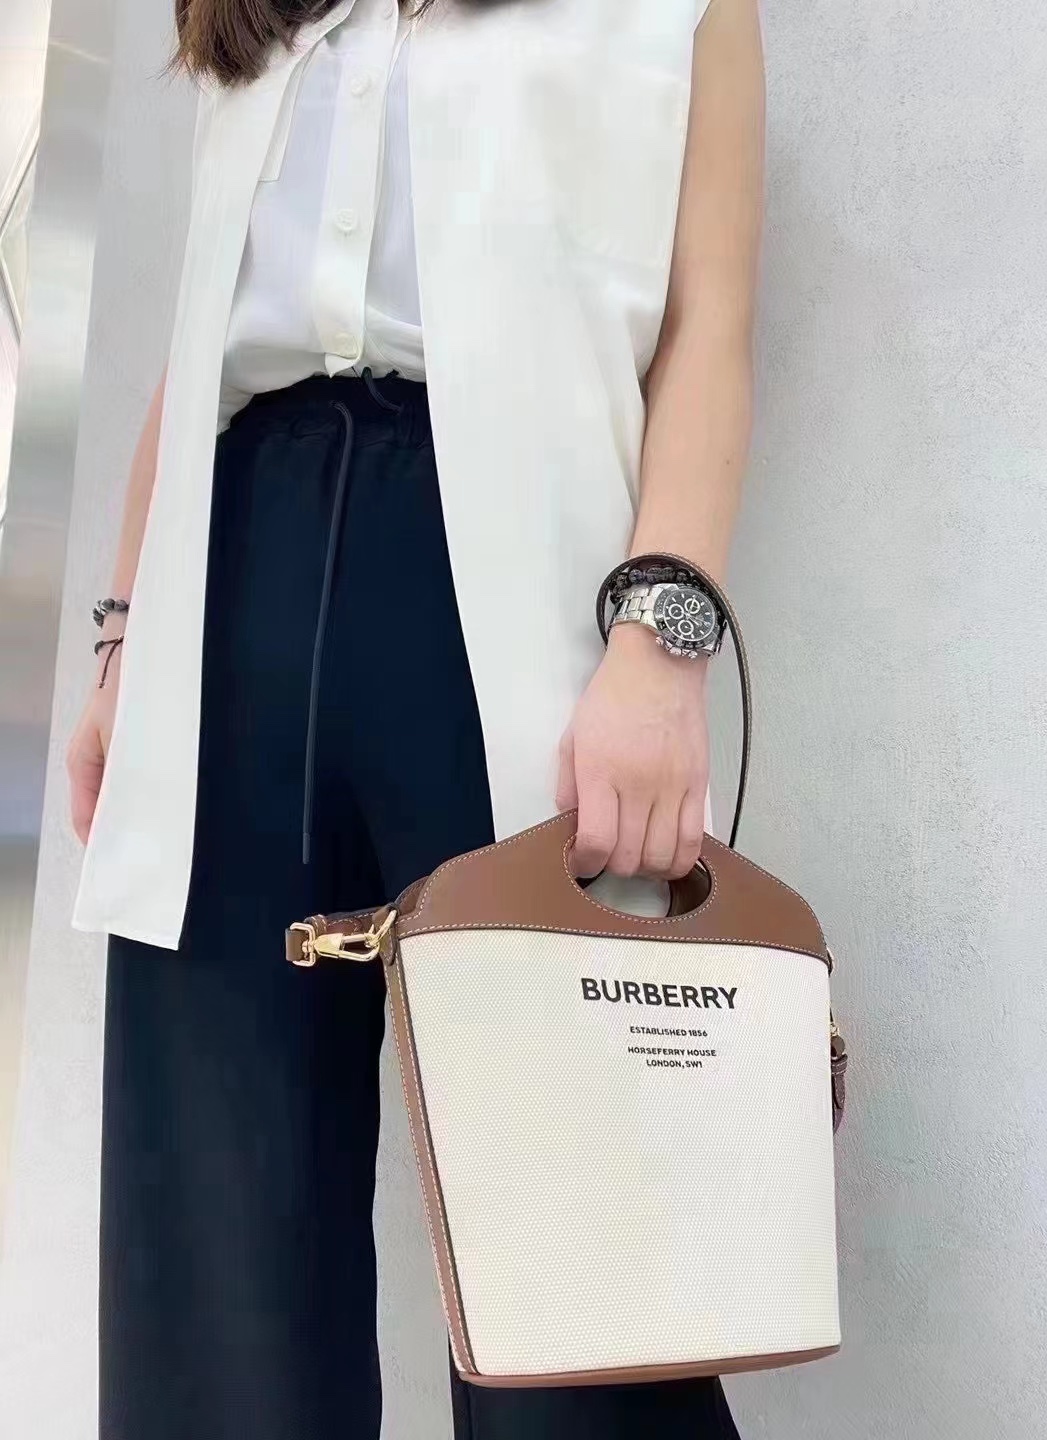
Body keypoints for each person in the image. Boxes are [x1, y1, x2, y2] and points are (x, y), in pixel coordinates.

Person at [66, 0, 764, 1435]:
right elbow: (202, 347)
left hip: (504, 594)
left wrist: (664, 640)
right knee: (217, 1223)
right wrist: (126, 635)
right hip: (230, 590)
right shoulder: (266, 16)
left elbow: (710, 324)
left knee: (566, 1244)